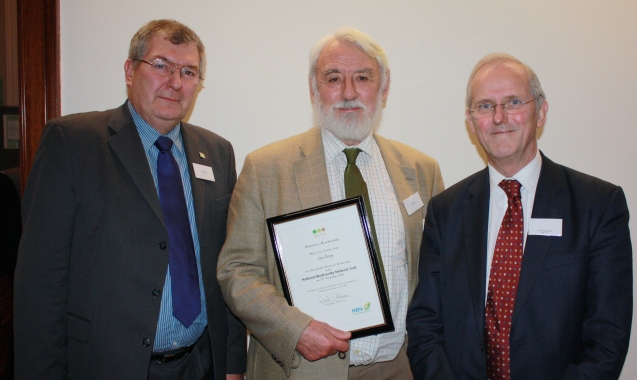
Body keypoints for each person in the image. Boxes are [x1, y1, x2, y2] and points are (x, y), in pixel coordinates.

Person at [14, 19, 246, 380]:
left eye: (188, 71)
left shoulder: (216, 153)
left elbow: (226, 264)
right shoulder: (73, 143)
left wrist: (233, 364)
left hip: (200, 364)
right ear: (129, 70)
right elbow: (40, 283)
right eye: (160, 66)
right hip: (107, 366)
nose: (174, 82)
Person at [217, 27, 444, 380]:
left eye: (363, 77)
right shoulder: (266, 167)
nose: (349, 92)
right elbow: (237, 271)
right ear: (313, 89)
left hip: (399, 368)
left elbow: (433, 275)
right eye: (333, 78)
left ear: (383, 89)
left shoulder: (420, 170)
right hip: (300, 370)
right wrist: (295, 330)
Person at [406, 53, 632, 379]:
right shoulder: (445, 211)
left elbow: (608, 333)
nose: (499, 117)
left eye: (513, 102)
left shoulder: (598, 206)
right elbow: (425, 322)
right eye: (485, 106)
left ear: (540, 112)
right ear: (471, 122)